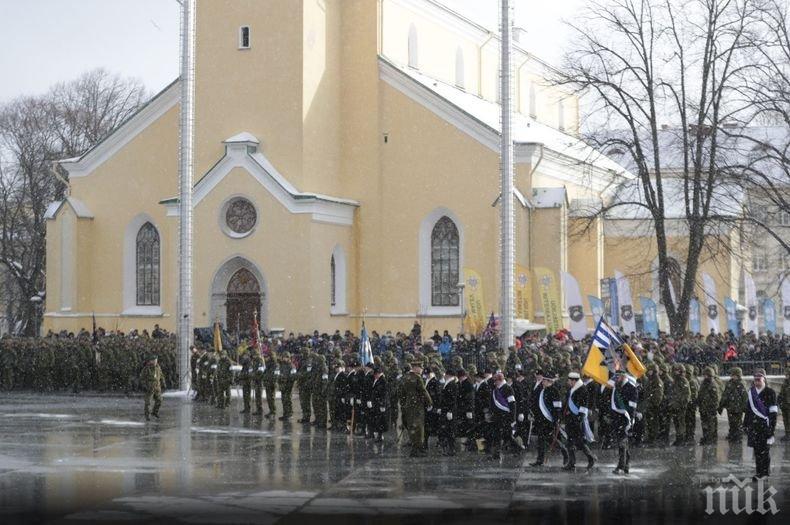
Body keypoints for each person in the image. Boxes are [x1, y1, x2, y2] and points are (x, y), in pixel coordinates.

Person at [744, 369, 778, 480]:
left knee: (764, 451)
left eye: (759, 380)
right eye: (755, 380)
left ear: (764, 379)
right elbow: (748, 410)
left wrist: (771, 429)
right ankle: (759, 473)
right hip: (754, 427)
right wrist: (745, 424)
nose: (757, 382)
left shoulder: (770, 392)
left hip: (765, 426)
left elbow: (773, 413)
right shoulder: (751, 392)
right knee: (757, 451)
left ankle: (765, 473)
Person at [529, 370, 567, 466]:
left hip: (549, 419)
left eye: (544, 380)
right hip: (540, 419)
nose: (543, 382)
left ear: (549, 381)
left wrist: (556, 419)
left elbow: (557, 407)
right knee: (542, 439)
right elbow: (535, 402)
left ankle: (564, 451)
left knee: (549, 438)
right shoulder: (541, 390)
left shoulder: (554, 391)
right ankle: (539, 460)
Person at [399, 358, 433, 457]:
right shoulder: (417, 378)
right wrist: (430, 402)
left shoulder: (405, 377)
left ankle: (416, 448)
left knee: (412, 427)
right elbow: (423, 391)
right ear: (416, 368)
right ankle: (417, 449)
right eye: (420, 368)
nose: (422, 369)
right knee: (419, 428)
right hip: (417, 405)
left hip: (408, 405)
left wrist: (404, 403)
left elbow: (401, 392)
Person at [564, 372, 596, 470]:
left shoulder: (583, 390)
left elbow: (583, 406)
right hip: (569, 419)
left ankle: (591, 458)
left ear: (574, 380)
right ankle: (571, 462)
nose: (568, 382)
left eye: (569, 380)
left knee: (580, 442)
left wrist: (579, 418)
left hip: (577, 420)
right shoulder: (571, 389)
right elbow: (567, 403)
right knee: (569, 441)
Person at [610, 370, 638, 475]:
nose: (616, 379)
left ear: (623, 377)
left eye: (618, 377)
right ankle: (626, 464)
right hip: (617, 419)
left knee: (622, 442)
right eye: (616, 377)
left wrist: (630, 420)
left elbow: (632, 407)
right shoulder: (616, 388)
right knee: (622, 442)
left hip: (625, 419)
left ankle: (621, 465)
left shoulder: (631, 388)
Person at [718, 366, 747, 442]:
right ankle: (732, 434)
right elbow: (725, 395)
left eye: (733, 375)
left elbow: (745, 397)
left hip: (738, 408)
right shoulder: (730, 383)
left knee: (737, 423)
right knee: (731, 422)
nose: (731, 376)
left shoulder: (741, 384)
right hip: (730, 407)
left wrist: (744, 408)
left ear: (737, 375)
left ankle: (738, 436)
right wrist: (722, 404)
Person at [697, 367, 720, 445]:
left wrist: (712, 408)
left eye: (706, 375)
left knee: (710, 424)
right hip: (703, 408)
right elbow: (700, 395)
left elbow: (716, 398)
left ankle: (710, 438)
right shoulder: (704, 384)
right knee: (704, 424)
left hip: (709, 409)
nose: (705, 376)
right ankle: (706, 437)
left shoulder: (713, 385)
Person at [438, 368, 459, 456]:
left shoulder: (452, 385)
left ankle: (452, 449)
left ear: (448, 375)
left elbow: (453, 399)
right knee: (447, 430)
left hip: (449, 410)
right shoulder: (449, 384)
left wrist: (450, 411)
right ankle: (449, 448)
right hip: (445, 409)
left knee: (450, 430)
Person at [140, 355, 165, 421]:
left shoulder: (158, 367)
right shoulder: (146, 368)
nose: (155, 361)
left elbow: (161, 376)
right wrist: (145, 386)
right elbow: (142, 378)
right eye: (154, 360)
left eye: (156, 360)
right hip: (149, 387)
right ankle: (147, 416)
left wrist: (163, 383)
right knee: (148, 402)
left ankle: (154, 412)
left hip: (157, 387)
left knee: (159, 400)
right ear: (150, 361)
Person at [370, 364, 388, 442]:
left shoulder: (383, 380)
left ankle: (380, 436)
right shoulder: (377, 380)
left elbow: (384, 394)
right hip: (376, 402)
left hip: (379, 403)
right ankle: (378, 435)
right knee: (377, 419)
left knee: (380, 420)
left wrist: (382, 404)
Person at [278, 352, 296, 420]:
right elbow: (279, 373)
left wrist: (286, 378)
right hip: (283, 385)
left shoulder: (291, 366)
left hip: (288, 385)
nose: (284, 358)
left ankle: (289, 414)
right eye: (283, 357)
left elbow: (293, 376)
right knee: (284, 400)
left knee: (288, 400)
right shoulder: (282, 365)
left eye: (285, 357)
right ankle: (285, 413)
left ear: (288, 358)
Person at [261, 354, 278, 419]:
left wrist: (272, 381)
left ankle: (273, 411)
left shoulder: (275, 365)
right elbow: (265, 373)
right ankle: (271, 411)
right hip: (268, 383)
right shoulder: (268, 365)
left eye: (267, 357)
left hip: (272, 384)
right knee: (269, 398)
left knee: (271, 398)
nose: (266, 358)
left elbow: (275, 376)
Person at [780, 369, 790, 442]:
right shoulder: (784, 384)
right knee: (785, 420)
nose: (786, 376)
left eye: (787, 375)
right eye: (786, 375)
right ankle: (787, 433)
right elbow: (781, 394)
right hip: (784, 405)